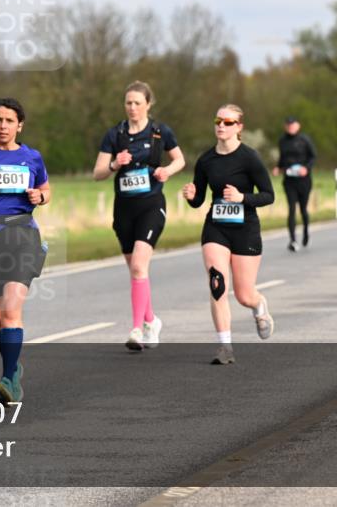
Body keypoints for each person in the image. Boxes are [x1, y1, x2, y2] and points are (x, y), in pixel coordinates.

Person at [0, 98, 51, 405]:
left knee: (12, 310)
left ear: (20, 125)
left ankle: (7, 381)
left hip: (21, 234)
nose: (3, 126)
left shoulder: (32, 157)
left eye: (9, 121)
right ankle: (13, 369)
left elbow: (46, 189)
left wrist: (39, 196)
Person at [92, 81, 185, 351]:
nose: (132, 108)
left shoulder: (159, 132)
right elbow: (97, 173)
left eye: (137, 103)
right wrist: (113, 164)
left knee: (138, 267)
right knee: (136, 271)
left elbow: (180, 159)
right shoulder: (115, 134)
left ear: (148, 104)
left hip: (151, 204)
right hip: (124, 209)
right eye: (128, 103)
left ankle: (136, 329)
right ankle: (152, 320)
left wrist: (167, 171)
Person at [183, 104, 275, 365]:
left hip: (245, 228)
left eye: (228, 121)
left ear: (239, 127)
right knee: (217, 284)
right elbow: (200, 198)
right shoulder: (206, 160)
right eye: (218, 120)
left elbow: (269, 195)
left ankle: (258, 306)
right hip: (216, 227)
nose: (221, 125)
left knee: (244, 294)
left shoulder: (249, 158)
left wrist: (241, 197)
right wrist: (192, 196)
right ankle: (225, 346)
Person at [272, 117, 317, 252]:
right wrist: (277, 168)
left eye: (293, 125)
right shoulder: (282, 141)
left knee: (303, 209)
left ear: (298, 126)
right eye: (288, 125)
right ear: (286, 126)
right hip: (289, 180)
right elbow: (282, 158)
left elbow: (313, 156)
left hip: (304, 180)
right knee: (291, 209)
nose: (291, 127)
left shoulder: (304, 140)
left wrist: (306, 168)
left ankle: (306, 232)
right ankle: (292, 240)